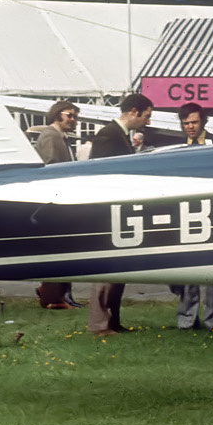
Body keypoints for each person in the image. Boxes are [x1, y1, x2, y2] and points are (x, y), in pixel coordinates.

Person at [87, 93, 153, 335]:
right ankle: (99, 325)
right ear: (134, 112)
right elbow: (99, 175)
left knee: (117, 272)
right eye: (146, 116)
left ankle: (112, 322)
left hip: (117, 211)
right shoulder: (108, 135)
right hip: (107, 212)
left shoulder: (118, 136)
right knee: (106, 272)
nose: (147, 121)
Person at [170, 102, 213, 331]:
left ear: (203, 121)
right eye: (186, 123)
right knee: (186, 269)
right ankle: (186, 318)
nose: (190, 127)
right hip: (185, 214)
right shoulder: (176, 147)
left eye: (194, 122)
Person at [33, 101, 81, 309]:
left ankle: (55, 294)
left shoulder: (59, 137)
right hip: (54, 201)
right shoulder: (51, 136)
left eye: (75, 116)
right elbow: (52, 167)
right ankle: (54, 298)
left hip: (58, 200)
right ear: (56, 115)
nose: (73, 120)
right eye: (69, 115)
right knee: (59, 248)